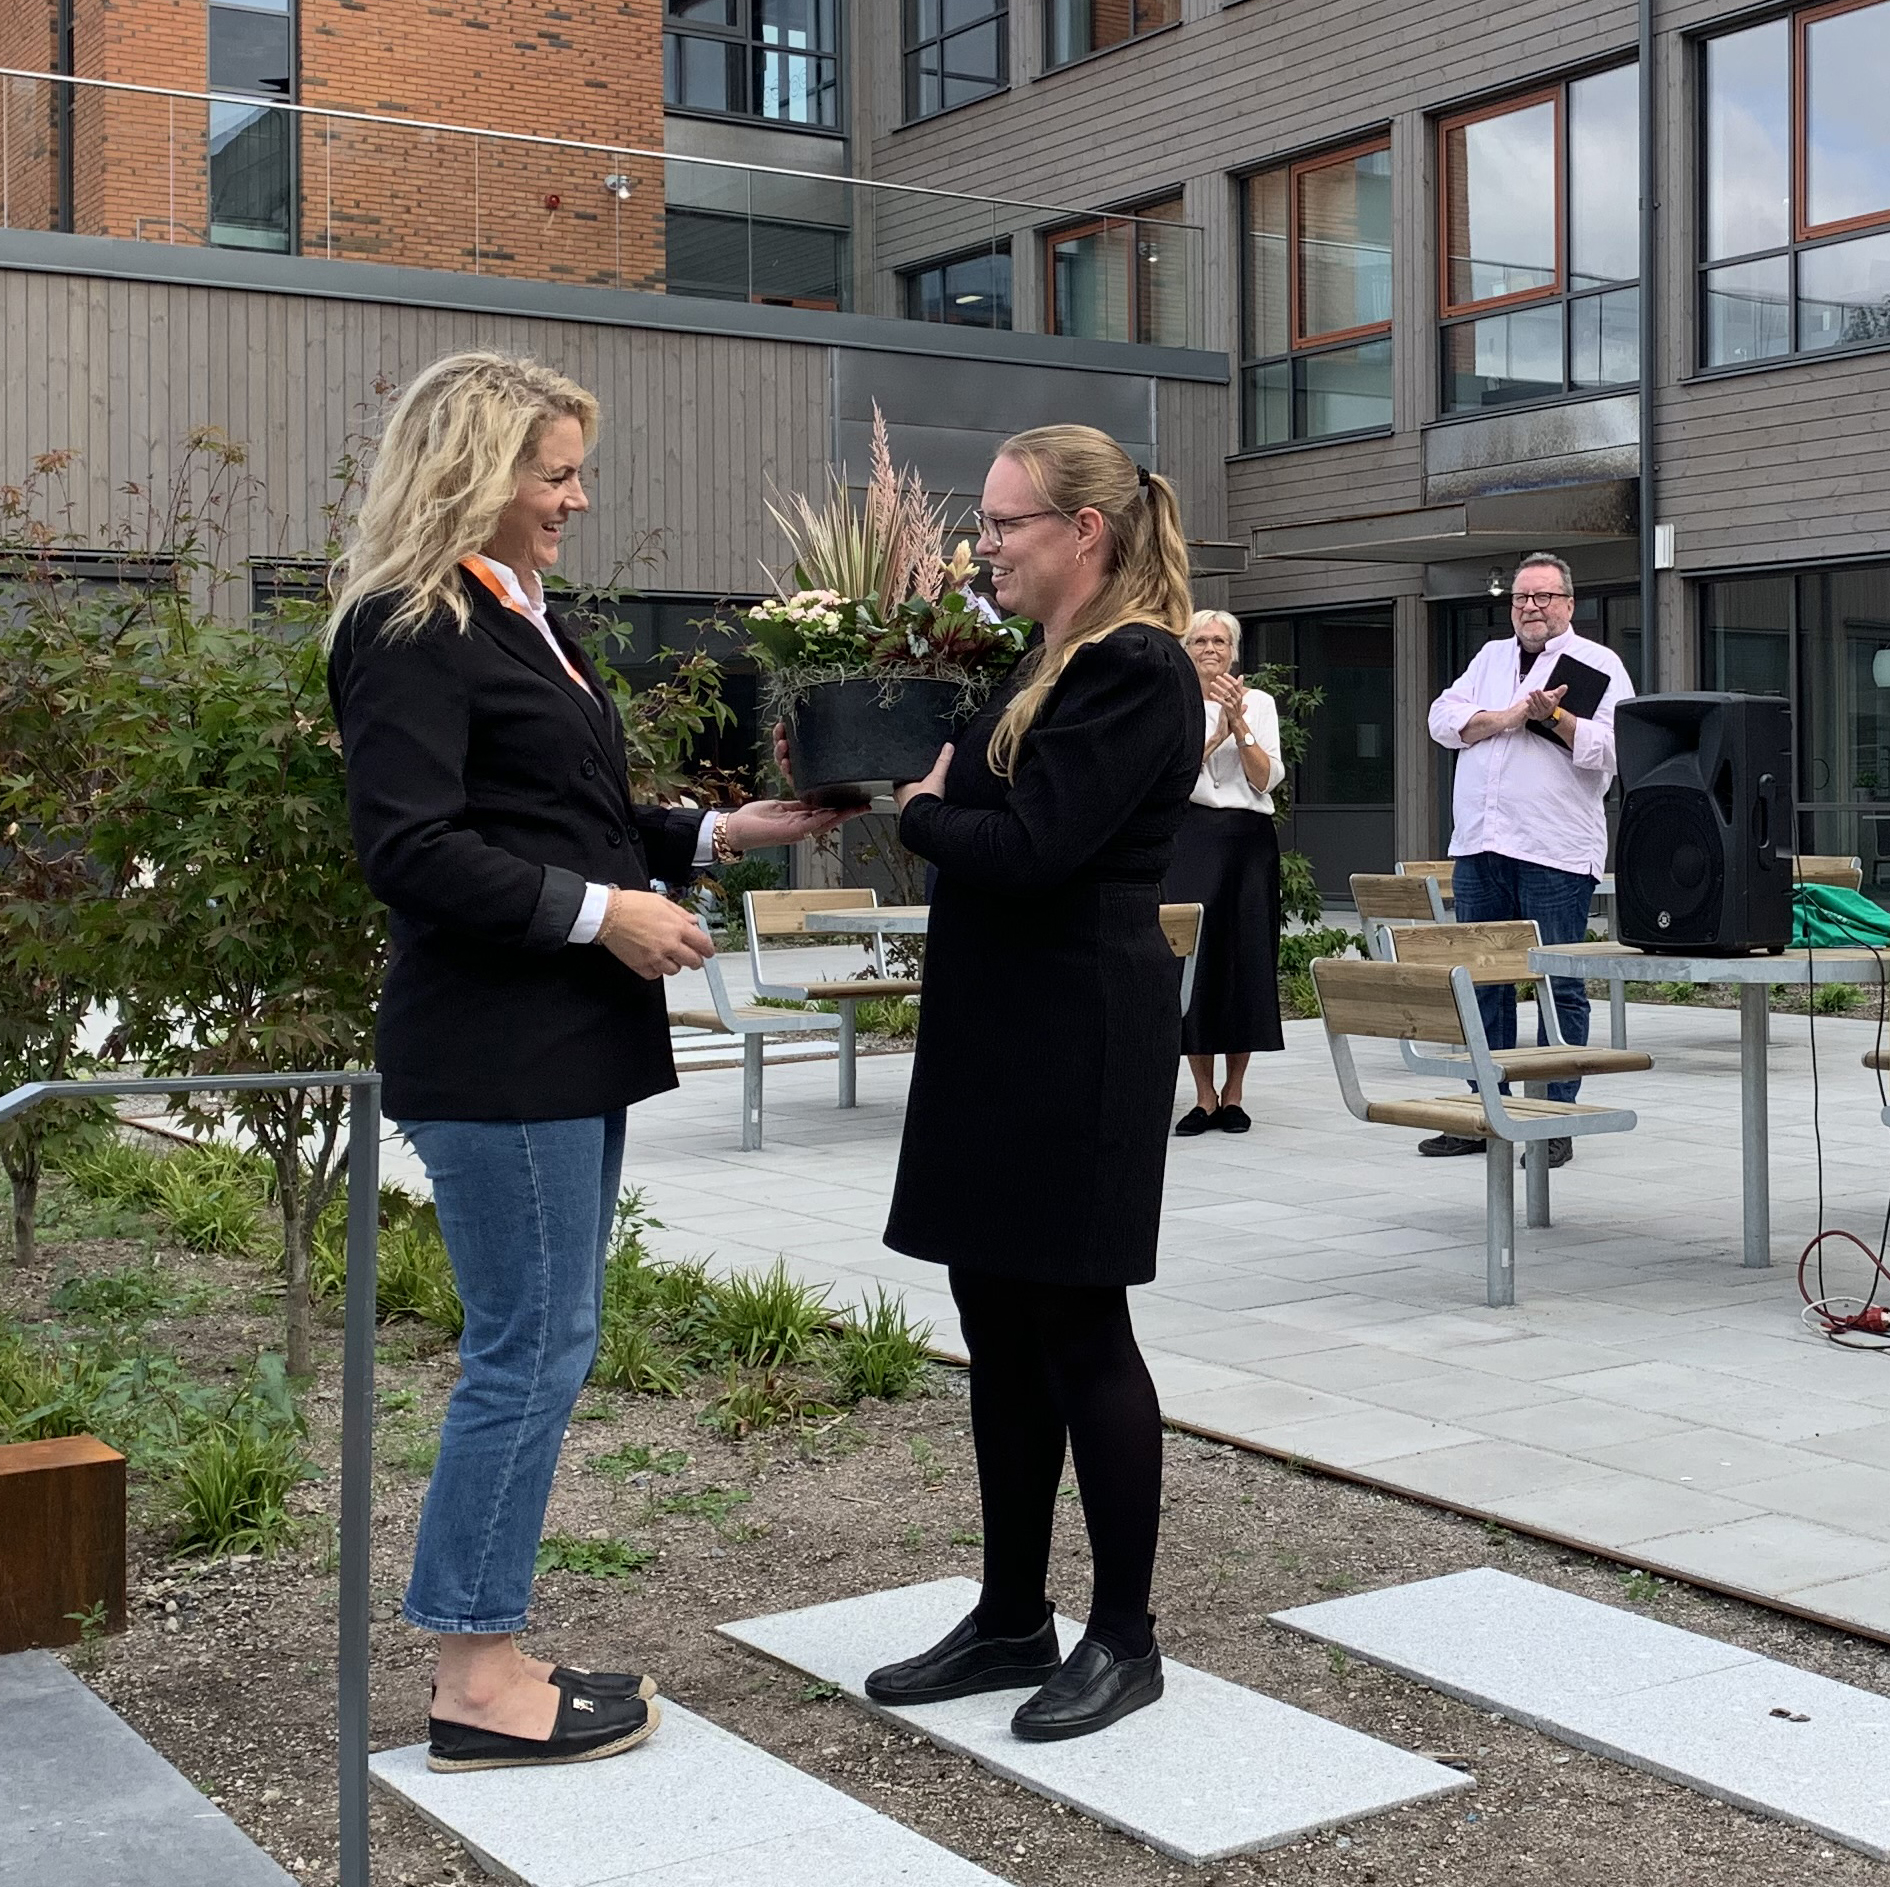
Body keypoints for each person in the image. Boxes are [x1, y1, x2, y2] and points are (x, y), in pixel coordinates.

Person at [327, 349, 852, 1772]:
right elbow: (413, 847)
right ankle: (476, 1679)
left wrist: (719, 836)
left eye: (572, 471)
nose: (574, 497)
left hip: (547, 1043)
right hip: (502, 1048)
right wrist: (599, 913)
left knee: (543, 1344)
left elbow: (552, 805)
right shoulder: (410, 623)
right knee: (527, 1350)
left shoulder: (510, 616)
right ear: (473, 473)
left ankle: (486, 1648)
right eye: (552, 472)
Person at [862, 425, 1199, 1743]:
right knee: (995, 1323)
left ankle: (1125, 1636)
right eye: (986, 522)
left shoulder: (1133, 667)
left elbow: (1032, 846)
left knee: (1078, 1332)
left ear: (1085, 535)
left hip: (1076, 1036)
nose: (983, 542)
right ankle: (1012, 1614)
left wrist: (920, 813)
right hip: (1003, 1032)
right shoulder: (1048, 657)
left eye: (1005, 523)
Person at [1423, 551, 1635, 1168]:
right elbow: (1442, 719)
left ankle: (1553, 1120)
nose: (1530, 608)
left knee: (1558, 984)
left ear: (1569, 603)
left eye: (1543, 597)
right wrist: (1512, 715)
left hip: (1553, 850)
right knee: (1478, 984)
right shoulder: (1489, 658)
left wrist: (1560, 717)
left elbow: (1617, 750)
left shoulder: (1597, 663)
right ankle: (1486, 1112)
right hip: (1479, 846)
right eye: (1520, 598)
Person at [1163, 608, 1286, 1134]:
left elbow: (1264, 780)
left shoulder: (1258, 703)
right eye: (1199, 641)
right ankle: (1203, 1095)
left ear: (1235, 651)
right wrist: (1213, 731)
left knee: (1244, 957)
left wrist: (1239, 725)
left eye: (1219, 641)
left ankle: (1234, 1093)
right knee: (1195, 959)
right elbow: (1169, 777)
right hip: (1190, 838)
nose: (1210, 649)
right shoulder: (1172, 701)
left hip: (1248, 842)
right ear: (1185, 649)